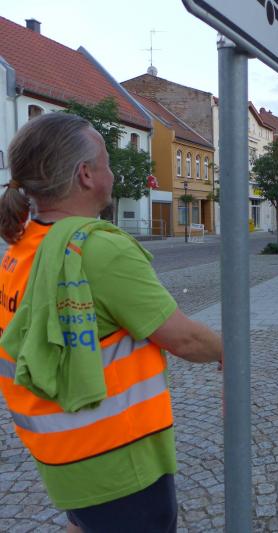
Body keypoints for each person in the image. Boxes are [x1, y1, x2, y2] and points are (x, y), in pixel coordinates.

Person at [0, 113, 223, 533]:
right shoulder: (96, 249)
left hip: (61, 451)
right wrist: (228, 352)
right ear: (85, 174)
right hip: (117, 458)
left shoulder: (23, 247)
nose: (114, 173)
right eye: (106, 162)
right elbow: (185, 339)